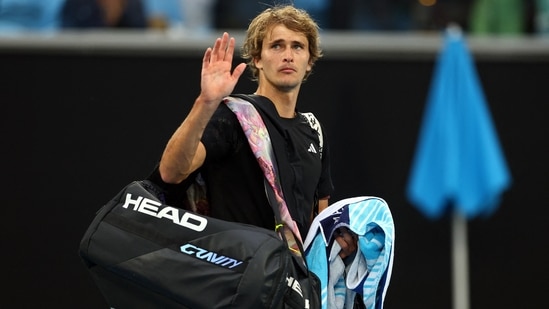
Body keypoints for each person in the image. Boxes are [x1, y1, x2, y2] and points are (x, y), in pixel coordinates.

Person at [149, 5, 333, 242]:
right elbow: (171, 172)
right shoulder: (233, 116)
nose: (288, 55)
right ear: (257, 59)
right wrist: (205, 102)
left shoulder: (314, 131)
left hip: (293, 277)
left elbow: (320, 220)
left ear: (309, 61)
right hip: (234, 273)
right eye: (276, 45)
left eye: (297, 46)